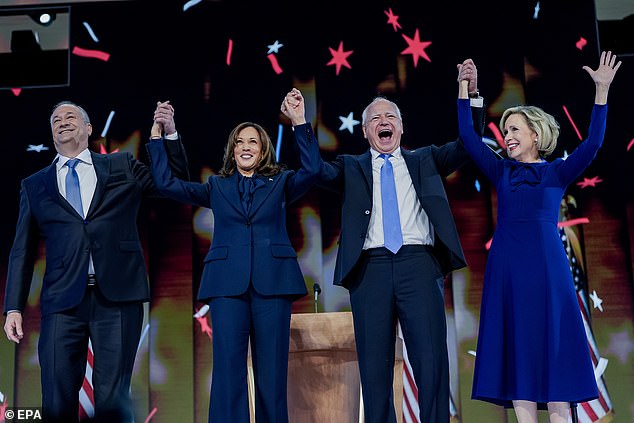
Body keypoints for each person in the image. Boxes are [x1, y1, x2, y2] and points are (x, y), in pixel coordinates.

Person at [456, 51, 621, 423]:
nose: (508, 135)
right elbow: (468, 136)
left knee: (556, 357)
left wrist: (602, 91)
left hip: (549, 274)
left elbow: (593, 143)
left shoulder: (557, 173)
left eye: (515, 129)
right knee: (519, 362)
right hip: (508, 274)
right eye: (506, 129)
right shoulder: (501, 172)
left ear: (535, 134)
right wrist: (464, 89)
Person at [317, 60, 485, 423]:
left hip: (419, 266)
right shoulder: (351, 166)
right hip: (370, 271)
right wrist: (301, 122)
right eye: (375, 119)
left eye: (389, 116)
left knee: (431, 362)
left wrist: (469, 96)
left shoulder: (426, 159)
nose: (383, 122)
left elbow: (469, 145)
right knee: (375, 372)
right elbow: (315, 170)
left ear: (401, 126)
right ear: (365, 131)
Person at [3, 100, 189, 422]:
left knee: (113, 400)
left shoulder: (121, 166)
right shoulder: (35, 185)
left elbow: (173, 186)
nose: (62, 122)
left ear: (89, 129)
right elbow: (22, 250)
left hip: (117, 297)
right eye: (56, 119)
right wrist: (13, 307)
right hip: (63, 302)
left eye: (70, 116)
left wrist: (166, 137)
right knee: (57, 399)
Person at [146, 88, 320, 422]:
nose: (245, 147)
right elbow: (167, 184)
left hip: (273, 285)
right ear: (232, 150)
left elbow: (312, 171)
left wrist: (299, 121)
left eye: (252, 141)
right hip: (227, 287)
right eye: (239, 142)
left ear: (263, 148)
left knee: (272, 376)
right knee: (228, 373)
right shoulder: (216, 186)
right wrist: (158, 135)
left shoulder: (280, 181)